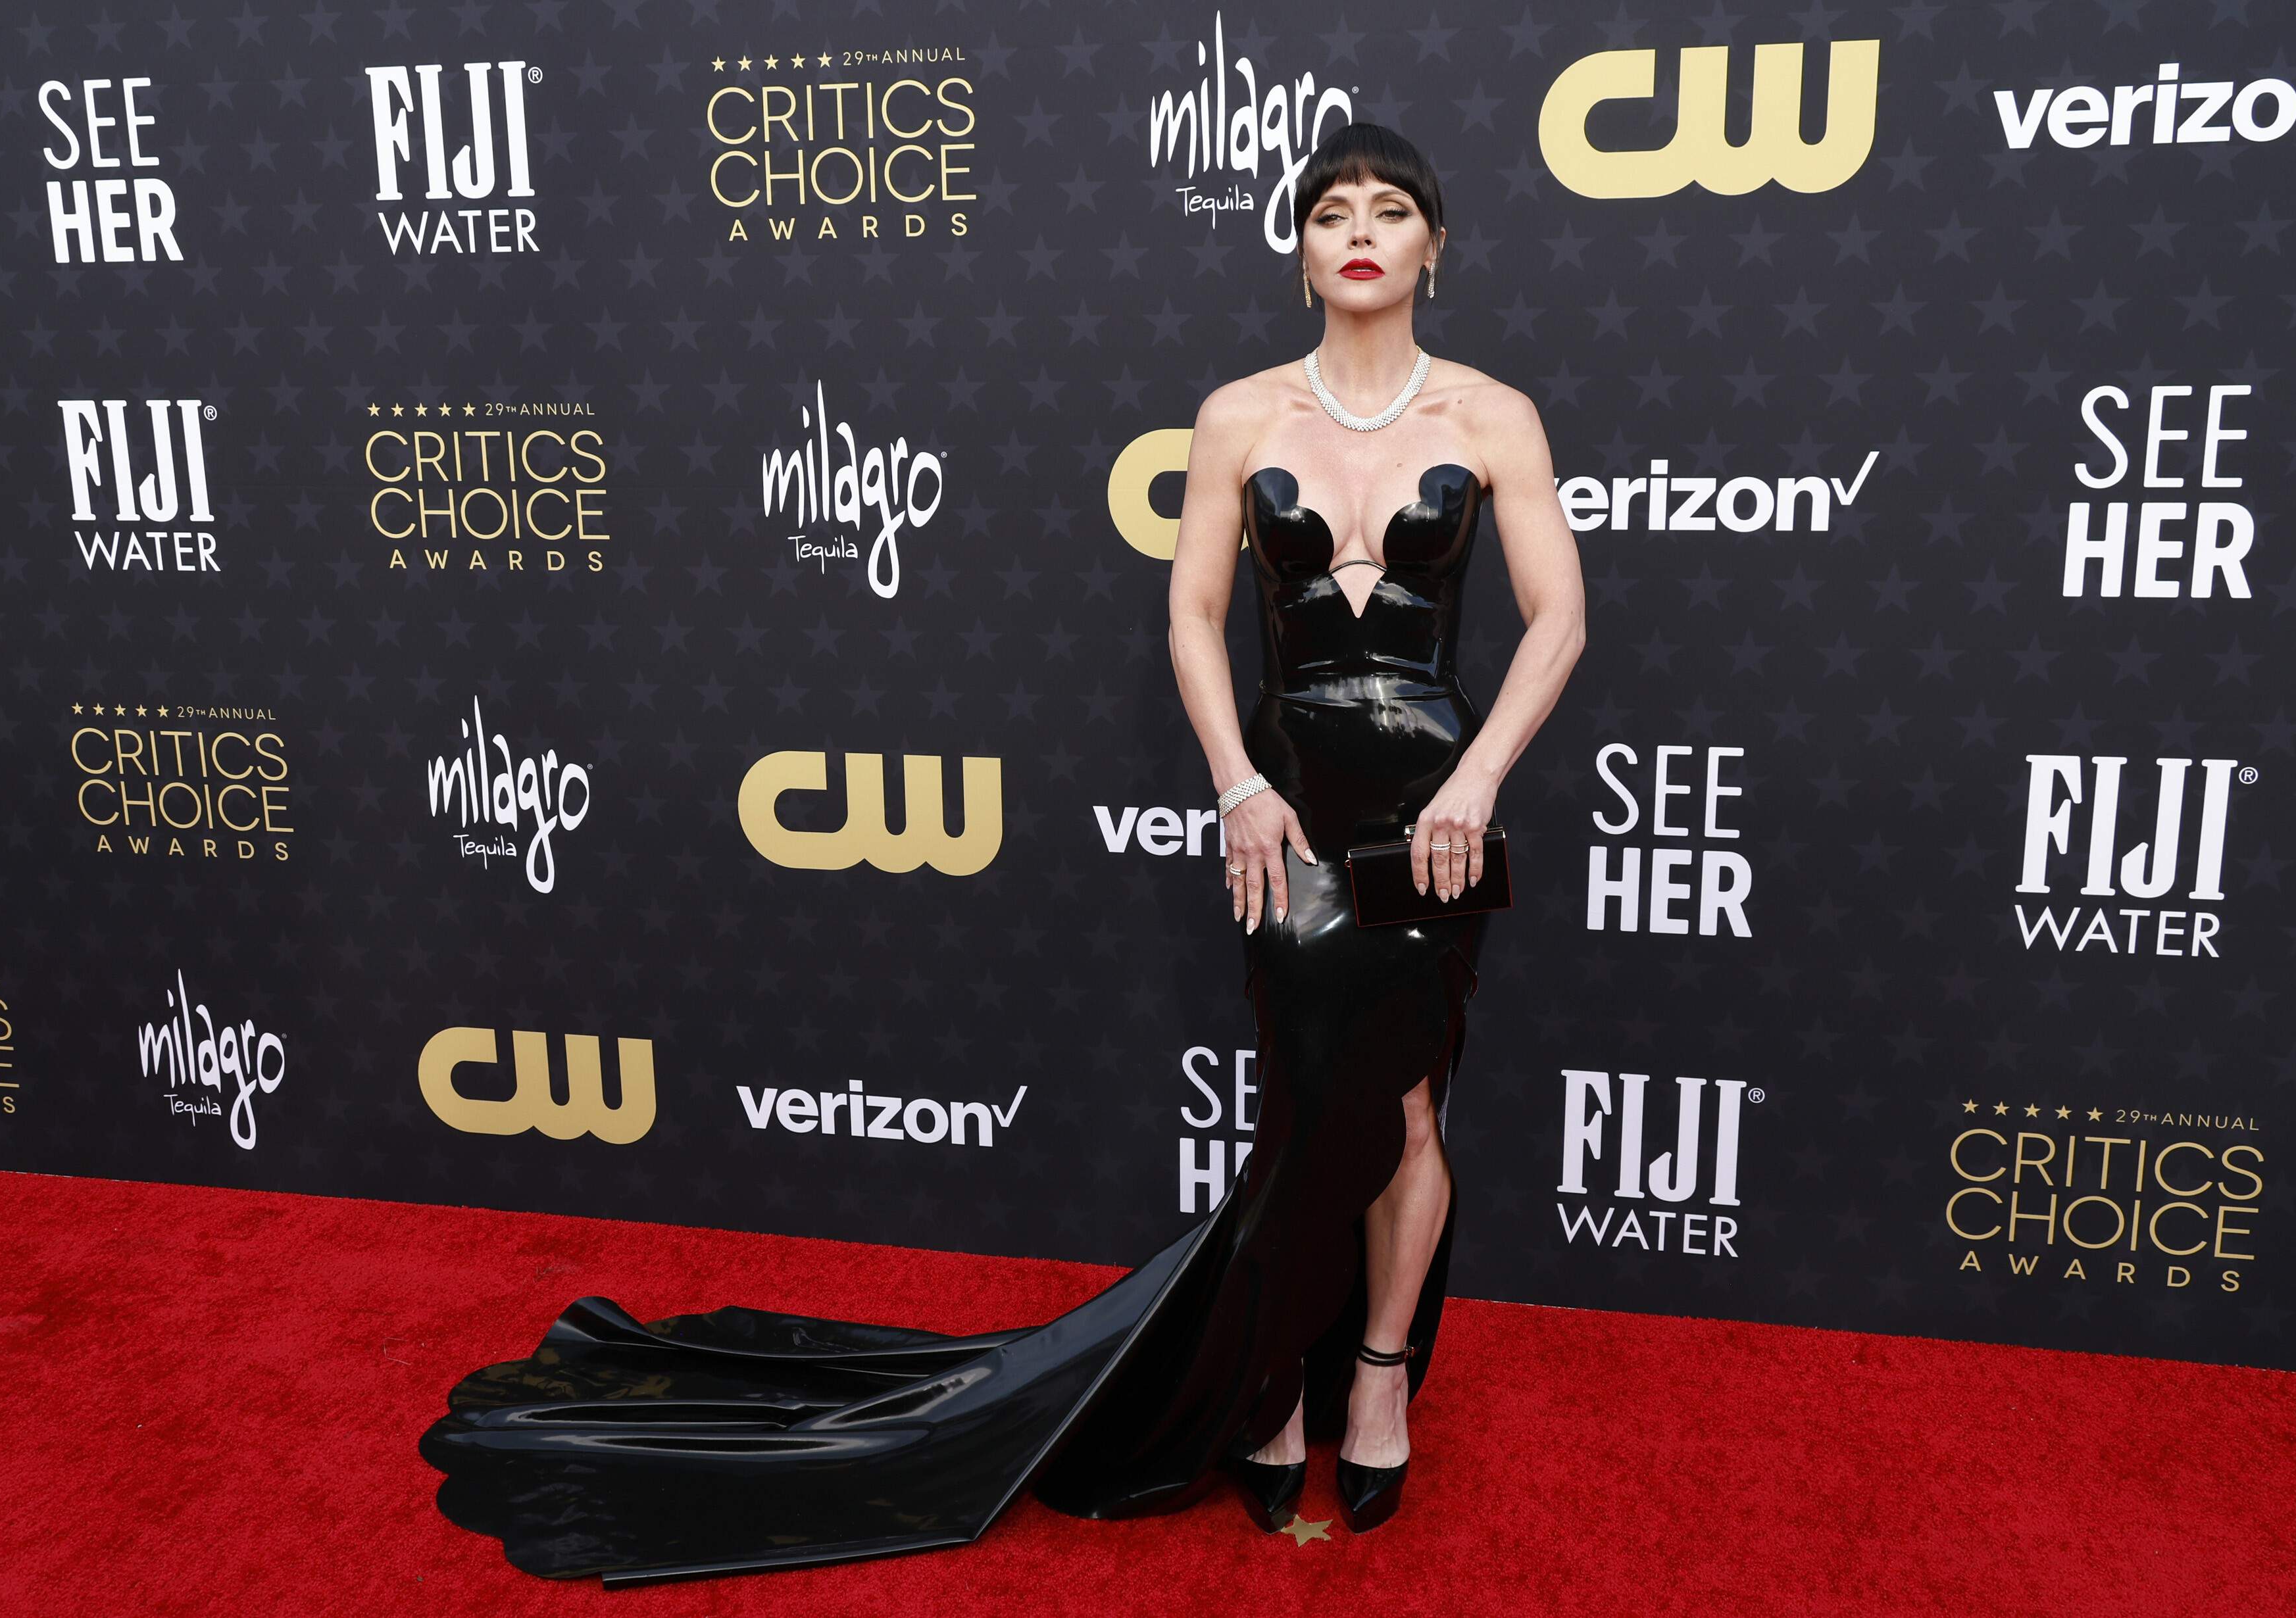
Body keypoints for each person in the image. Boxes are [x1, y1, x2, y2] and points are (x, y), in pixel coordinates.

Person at [418, 123, 1585, 1585]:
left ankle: (1376, 1378)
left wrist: (1475, 782)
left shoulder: (1492, 415)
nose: (1359, 230)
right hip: (1283, 805)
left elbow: (1558, 618)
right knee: (1302, 1107)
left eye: (1390, 209)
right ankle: (1270, 1376)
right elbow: (1191, 615)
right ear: (1298, 250)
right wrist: (1234, 785)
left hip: (1433, 811)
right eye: (1330, 210)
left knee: (1405, 1108)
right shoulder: (1239, 414)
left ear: (1433, 247)